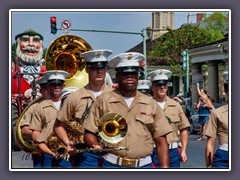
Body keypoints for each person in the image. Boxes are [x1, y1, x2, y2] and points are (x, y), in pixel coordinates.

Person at [83, 52, 172, 168]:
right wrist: (95, 145)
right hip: (112, 164)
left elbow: (161, 142)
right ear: (117, 75)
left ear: (138, 76)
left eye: (133, 73)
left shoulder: (150, 103)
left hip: (144, 166)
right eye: (125, 73)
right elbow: (89, 132)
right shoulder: (103, 100)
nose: (130, 77)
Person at [54, 49, 113, 168]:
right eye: (94, 68)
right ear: (87, 69)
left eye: (102, 67)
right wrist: (68, 142)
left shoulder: (117, 95)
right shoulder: (75, 97)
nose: (99, 71)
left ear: (106, 69)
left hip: (114, 152)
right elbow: (58, 125)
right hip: (85, 155)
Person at [147, 69, 190, 168]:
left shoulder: (175, 105)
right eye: (158, 85)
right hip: (152, 151)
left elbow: (184, 129)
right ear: (153, 87)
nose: (162, 87)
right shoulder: (146, 105)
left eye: (164, 85)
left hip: (173, 152)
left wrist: (183, 151)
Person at [29, 70, 71, 168]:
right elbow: (36, 133)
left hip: (69, 152)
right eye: (53, 84)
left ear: (63, 86)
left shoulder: (70, 104)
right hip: (48, 152)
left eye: (59, 84)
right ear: (48, 86)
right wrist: (49, 151)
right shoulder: (39, 107)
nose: (56, 87)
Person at [19, 76, 49, 168]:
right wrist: (45, 134)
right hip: (41, 150)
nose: (48, 91)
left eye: (51, 86)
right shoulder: (34, 107)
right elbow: (24, 130)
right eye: (45, 88)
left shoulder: (64, 104)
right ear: (41, 90)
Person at [205, 71, 229, 168]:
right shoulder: (217, 113)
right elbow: (210, 143)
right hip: (224, 157)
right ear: (226, 90)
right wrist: (208, 166)